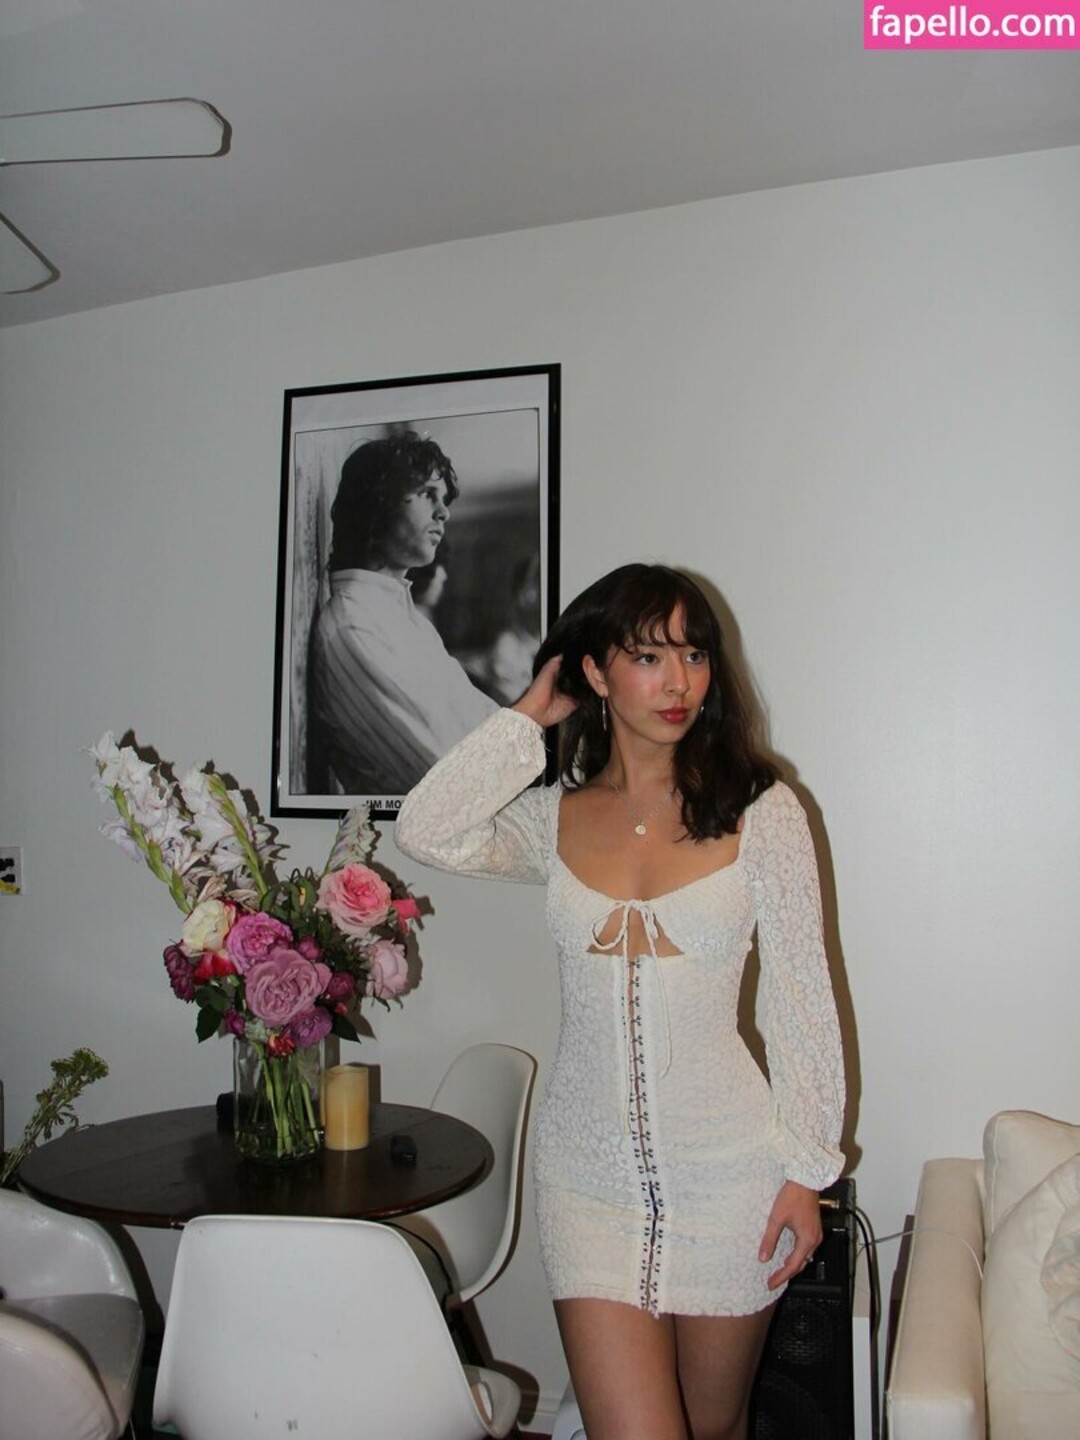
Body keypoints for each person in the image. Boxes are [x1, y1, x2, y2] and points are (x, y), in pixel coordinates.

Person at [395, 563, 845, 1440]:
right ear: (595, 673)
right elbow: (426, 828)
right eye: (647, 657)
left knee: (717, 1427)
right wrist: (529, 716)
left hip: (733, 1178)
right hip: (586, 1183)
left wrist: (806, 1173)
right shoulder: (555, 819)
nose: (679, 682)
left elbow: (802, 1001)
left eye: (694, 655)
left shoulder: (764, 812)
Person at [309, 430, 497, 796]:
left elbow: (489, 724)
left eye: (443, 498)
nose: (444, 512)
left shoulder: (405, 619)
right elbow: (449, 778)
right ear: (378, 504)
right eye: (427, 494)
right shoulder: (354, 627)